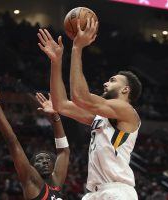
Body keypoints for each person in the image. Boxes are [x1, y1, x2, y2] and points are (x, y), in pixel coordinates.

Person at [37, 17, 142, 200]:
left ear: (126, 90)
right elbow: (61, 104)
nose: (105, 83)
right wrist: (56, 62)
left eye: (112, 80)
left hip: (117, 192)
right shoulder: (100, 117)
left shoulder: (127, 111)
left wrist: (77, 48)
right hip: (95, 193)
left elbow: (80, 97)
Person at [0, 85, 69, 200]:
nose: (45, 162)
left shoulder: (56, 184)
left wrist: (55, 117)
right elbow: (13, 143)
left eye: (47, 159)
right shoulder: (31, 181)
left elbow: (63, 152)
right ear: (32, 167)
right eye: (39, 160)